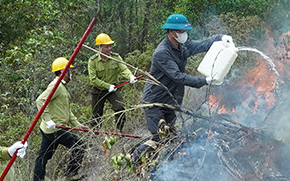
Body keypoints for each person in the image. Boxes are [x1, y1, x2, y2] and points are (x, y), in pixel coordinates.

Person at [133, 13, 227, 161]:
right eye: (181, 31)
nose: (184, 34)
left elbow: (201, 45)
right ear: (171, 32)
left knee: (170, 139)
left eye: (185, 31)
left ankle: (164, 166)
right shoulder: (162, 53)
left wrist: (220, 38)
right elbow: (178, 76)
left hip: (171, 102)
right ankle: (134, 157)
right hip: (155, 103)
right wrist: (205, 81)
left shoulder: (182, 46)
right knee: (160, 137)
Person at [32, 57, 87, 181]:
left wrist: (77, 124)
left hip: (50, 129)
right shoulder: (56, 85)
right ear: (63, 72)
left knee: (43, 157)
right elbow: (40, 100)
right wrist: (48, 120)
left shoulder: (62, 86)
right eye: (69, 71)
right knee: (79, 145)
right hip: (54, 129)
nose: (70, 73)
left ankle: (37, 179)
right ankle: (71, 175)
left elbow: (66, 110)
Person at [87, 33, 136, 131]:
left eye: (110, 46)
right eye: (106, 47)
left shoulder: (116, 57)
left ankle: (119, 131)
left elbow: (124, 69)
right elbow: (93, 80)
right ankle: (95, 135)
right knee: (96, 115)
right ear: (100, 47)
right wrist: (107, 86)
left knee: (120, 108)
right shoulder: (93, 61)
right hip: (98, 90)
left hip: (113, 89)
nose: (110, 49)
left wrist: (130, 76)